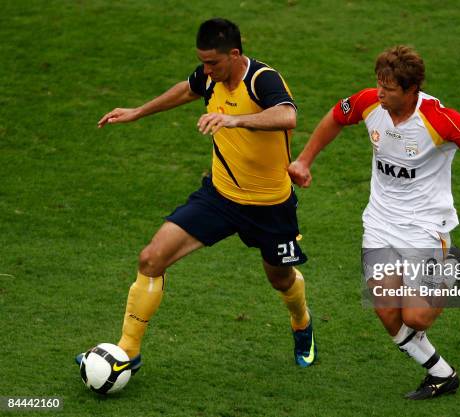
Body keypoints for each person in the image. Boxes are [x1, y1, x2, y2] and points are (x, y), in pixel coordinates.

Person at [288, 45, 460, 399]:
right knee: (385, 308)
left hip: (426, 228)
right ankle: (442, 374)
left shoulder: (437, 118)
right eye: (379, 84)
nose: (380, 92)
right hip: (380, 222)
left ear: (410, 89)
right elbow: (336, 117)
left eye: (388, 88)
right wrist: (305, 160)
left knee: (416, 317)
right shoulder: (369, 102)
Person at [76, 18, 317, 374]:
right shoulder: (209, 77)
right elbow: (185, 89)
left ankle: (302, 323)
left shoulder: (262, 79)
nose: (205, 70)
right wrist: (138, 112)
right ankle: (129, 350)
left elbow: (287, 115)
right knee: (151, 259)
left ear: (234, 54)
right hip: (219, 198)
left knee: (280, 278)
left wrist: (235, 121)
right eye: (202, 62)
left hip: (270, 206)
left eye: (212, 63)